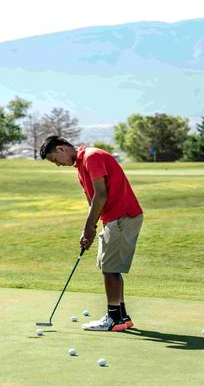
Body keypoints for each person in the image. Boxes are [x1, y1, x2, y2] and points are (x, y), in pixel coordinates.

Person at [40, 135, 144, 332]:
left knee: (110, 269)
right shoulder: (80, 166)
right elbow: (92, 200)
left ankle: (113, 319)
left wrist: (88, 228)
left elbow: (101, 194)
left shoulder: (91, 156)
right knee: (109, 267)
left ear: (62, 149)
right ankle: (121, 316)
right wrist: (90, 228)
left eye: (55, 159)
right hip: (113, 218)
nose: (57, 165)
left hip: (122, 215)